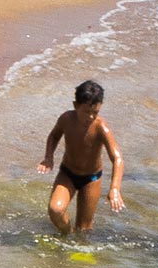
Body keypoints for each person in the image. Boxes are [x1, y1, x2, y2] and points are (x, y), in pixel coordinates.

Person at [35, 80, 123, 238]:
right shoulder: (66, 119)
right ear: (75, 105)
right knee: (55, 210)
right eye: (86, 111)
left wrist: (114, 188)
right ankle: (67, 234)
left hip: (91, 179)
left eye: (95, 112)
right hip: (67, 173)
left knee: (84, 230)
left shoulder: (101, 127)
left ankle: (78, 245)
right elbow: (54, 136)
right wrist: (48, 158)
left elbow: (117, 158)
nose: (90, 117)